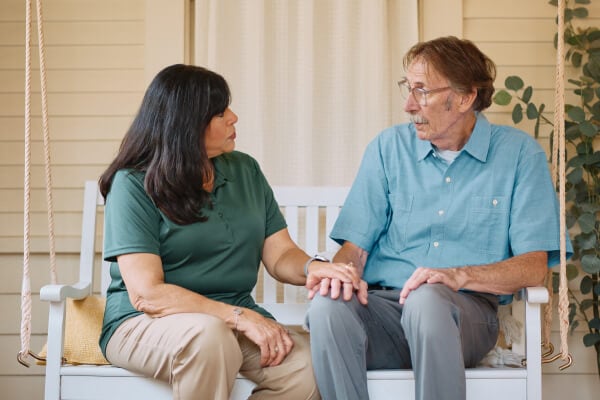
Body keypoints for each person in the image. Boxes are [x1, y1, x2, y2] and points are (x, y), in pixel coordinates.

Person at [305, 36, 572, 400]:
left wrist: (457, 276)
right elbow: (356, 247)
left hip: (463, 316)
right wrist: (343, 273)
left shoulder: (519, 155)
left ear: (464, 98)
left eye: (422, 92)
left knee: (428, 299)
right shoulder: (388, 148)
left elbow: (533, 268)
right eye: (408, 88)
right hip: (384, 311)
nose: (408, 105)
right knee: (327, 306)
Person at [97, 64, 360, 400]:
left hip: (230, 320)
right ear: (187, 124)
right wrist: (237, 317)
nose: (233, 118)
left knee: (307, 367)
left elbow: (279, 253)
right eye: (221, 112)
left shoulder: (245, 170)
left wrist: (314, 267)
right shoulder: (133, 184)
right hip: (145, 323)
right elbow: (148, 294)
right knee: (209, 337)